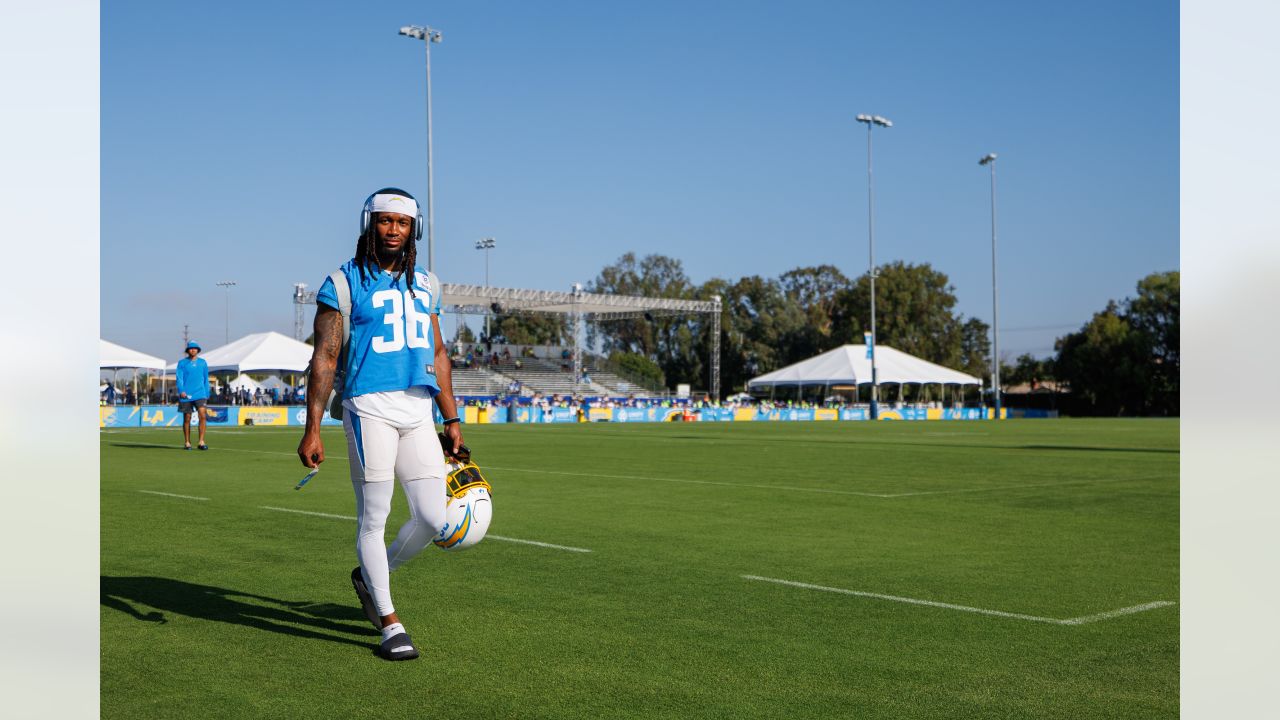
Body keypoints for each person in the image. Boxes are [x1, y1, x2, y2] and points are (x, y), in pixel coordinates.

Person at [297, 187, 464, 663]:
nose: (394, 230)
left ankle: (370, 576)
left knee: (433, 517)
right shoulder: (343, 282)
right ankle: (390, 623)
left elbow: (438, 353)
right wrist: (313, 426)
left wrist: (451, 418)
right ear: (370, 223)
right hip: (368, 406)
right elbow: (325, 357)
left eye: (404, 223)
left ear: (415, 229)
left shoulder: (428, 283)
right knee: (375, 516)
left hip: (419, 409)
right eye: (386, 221)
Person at [176, 341, 209, 450]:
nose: (193, 350)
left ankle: (201, 441)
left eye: (195, 348)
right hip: (186, 395)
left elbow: (205, 379)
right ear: (188, 350)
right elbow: (179, 378)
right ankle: (187, 442)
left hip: (200, 393)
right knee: (187, 418)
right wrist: (181, 390)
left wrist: (206, 393)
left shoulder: (203, 363)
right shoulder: (182, 363)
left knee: (203, 415)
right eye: (191, 348)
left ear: (198, 350)